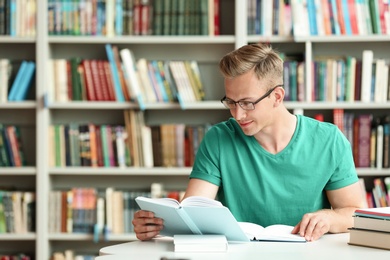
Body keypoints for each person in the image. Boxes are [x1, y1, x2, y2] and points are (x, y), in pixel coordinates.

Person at [132, 43, 364, 242]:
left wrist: (329, 217)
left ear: (277, 97)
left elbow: (354, 212)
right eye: (231, 102)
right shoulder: (219, 139)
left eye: (247, 103)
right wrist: (157, 225)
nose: (237, 115)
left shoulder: (328, 140)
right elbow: (193, 211)